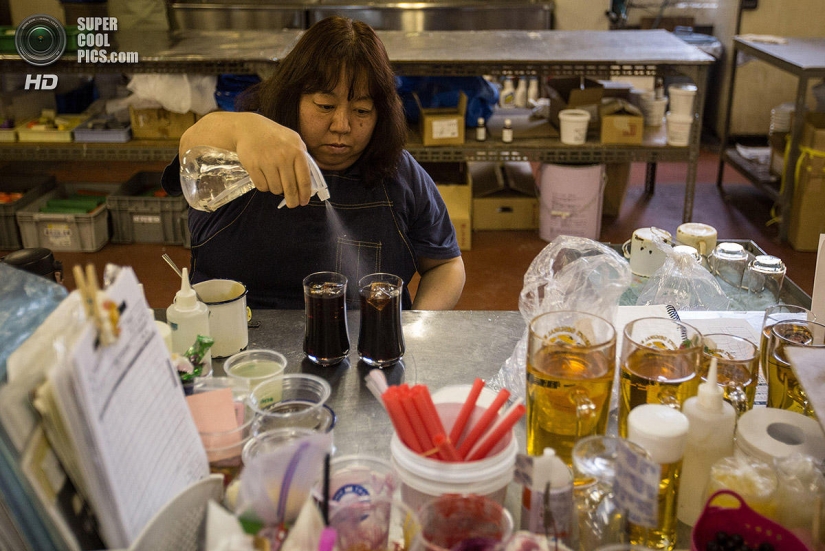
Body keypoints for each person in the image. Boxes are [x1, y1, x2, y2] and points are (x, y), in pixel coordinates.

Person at [161, 16, 465, 310]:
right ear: (292, 96)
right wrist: (240, 128)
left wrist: (414, 329)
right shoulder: (244, 150)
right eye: (325, 106)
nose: (342, 125)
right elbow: (192, 145)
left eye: (362, 111)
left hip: (364, 340)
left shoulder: (398, 172)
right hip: (237, 336)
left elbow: (446, 265)